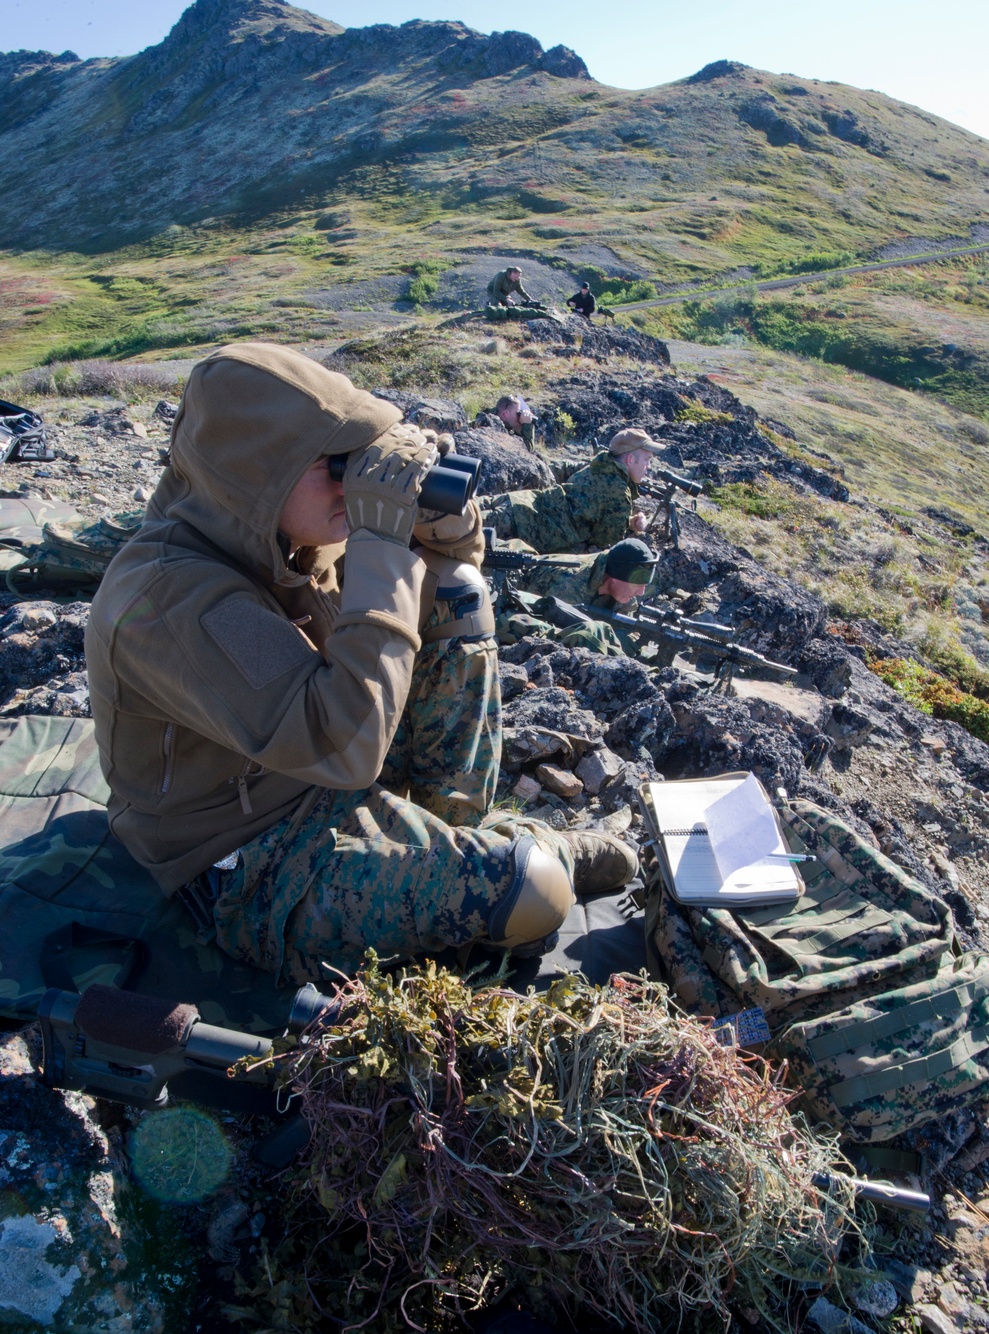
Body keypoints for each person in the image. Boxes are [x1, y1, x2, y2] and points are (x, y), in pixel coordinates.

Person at [84, 343, 637, 987]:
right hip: (243, 857)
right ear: (257, 473)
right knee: (534, 892)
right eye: (336, 468)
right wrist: (377, 542)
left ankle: (454, 823)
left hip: (319, 771)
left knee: (454, 587)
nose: (353, 488)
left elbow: (441, 591)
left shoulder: (285, 538)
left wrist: (438, 528)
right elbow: (343, 746)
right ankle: (532, 851)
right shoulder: (173, 598)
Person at [481, 427, 665, 554]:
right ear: (630, 460)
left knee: (458, 508)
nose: (649, 467)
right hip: (523, 525)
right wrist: (631, 527)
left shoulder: (598, 465)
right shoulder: (619, 492)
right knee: (457, 530)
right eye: (647, 460)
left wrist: (629, 521)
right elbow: (604, 546)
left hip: (519, 502)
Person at [496, 536, 659, 657]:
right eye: (638, 587)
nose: (641, 593)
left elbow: (623, 628)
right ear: (615, 578)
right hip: (506, 575)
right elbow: (557, 636)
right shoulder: (571, 584)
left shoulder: (624, 591)